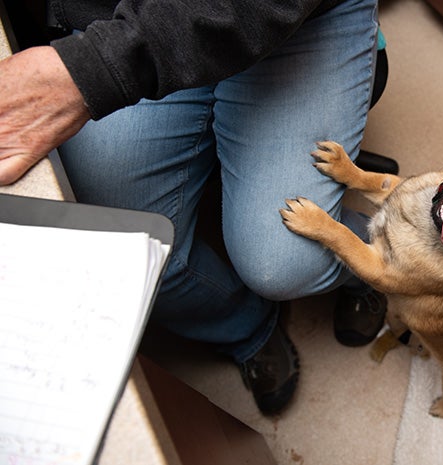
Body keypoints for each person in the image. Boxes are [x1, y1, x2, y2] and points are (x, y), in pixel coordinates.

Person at [0, 0, 387, 415]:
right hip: (130, 13)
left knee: (283, 263)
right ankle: (246, 326)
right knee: (126, 247)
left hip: (291, 20)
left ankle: (381, 260)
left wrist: (96, 69)